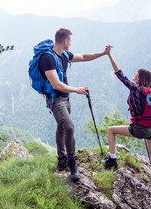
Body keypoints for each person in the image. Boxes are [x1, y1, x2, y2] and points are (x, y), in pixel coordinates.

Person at [39, 28, 110, 182]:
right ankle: (72, 163)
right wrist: (77, 90)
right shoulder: (47, 58)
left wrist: (102, 53)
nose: (71, 43)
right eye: (70, 40)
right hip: (56, 99)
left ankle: (61, 159)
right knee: (69, 127)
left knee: (62, 126)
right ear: (65, 41)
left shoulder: (64, 55)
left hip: (66, 98)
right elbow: (56, 85)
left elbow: (84, 56)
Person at [104, 45, 151, 190]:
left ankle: (112, 159)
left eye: (136, 74)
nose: (134, 75)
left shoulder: (136, 89)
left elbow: (119, 74)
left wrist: (109, 55)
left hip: (141, 129)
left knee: (111, 130)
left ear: (140, 78)